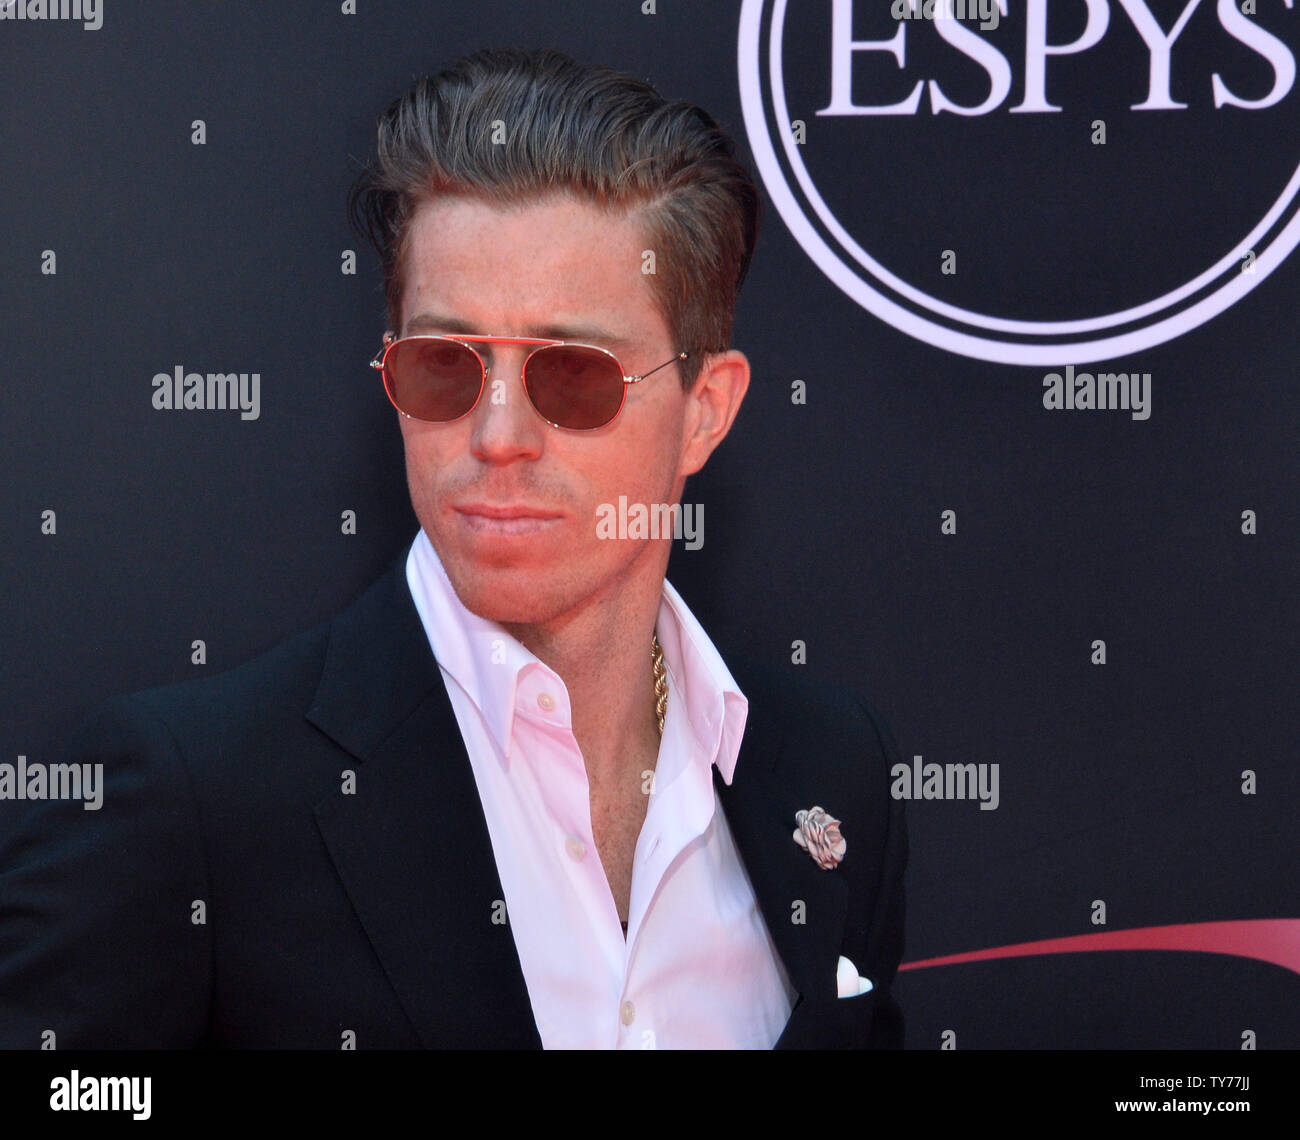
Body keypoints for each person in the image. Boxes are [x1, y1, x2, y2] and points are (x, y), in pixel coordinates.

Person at [0, 47, 906, 1049]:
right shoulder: (193, 802)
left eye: (573, 374)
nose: (496, 435)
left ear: (705, 410)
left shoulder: (829, 766)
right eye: (443, 365)